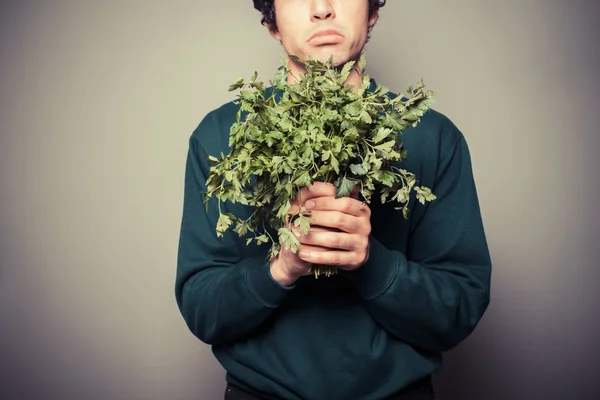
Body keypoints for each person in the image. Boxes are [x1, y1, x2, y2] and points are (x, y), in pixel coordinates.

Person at [175, 1, 492, 399]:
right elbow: (203, 310)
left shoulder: (433, 138)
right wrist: (282, 266)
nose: (322, 8)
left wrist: (367, 261)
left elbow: (458, 310)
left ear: (372, 11)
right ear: (271, 19)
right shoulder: (220, 137)